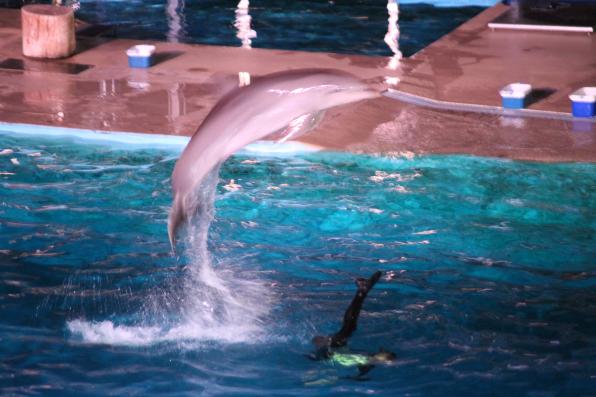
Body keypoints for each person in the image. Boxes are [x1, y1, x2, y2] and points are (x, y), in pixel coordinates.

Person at [309, 270, 396, 379]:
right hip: (334, 348)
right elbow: (357, 374)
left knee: (349, 326)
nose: (386, 354)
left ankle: (362, 291)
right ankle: (362, 291)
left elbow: (355, 375)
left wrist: (356, 378)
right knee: (350, 326)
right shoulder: (368, 361)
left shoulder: (367, 363)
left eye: (387, 355)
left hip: (331, 349)